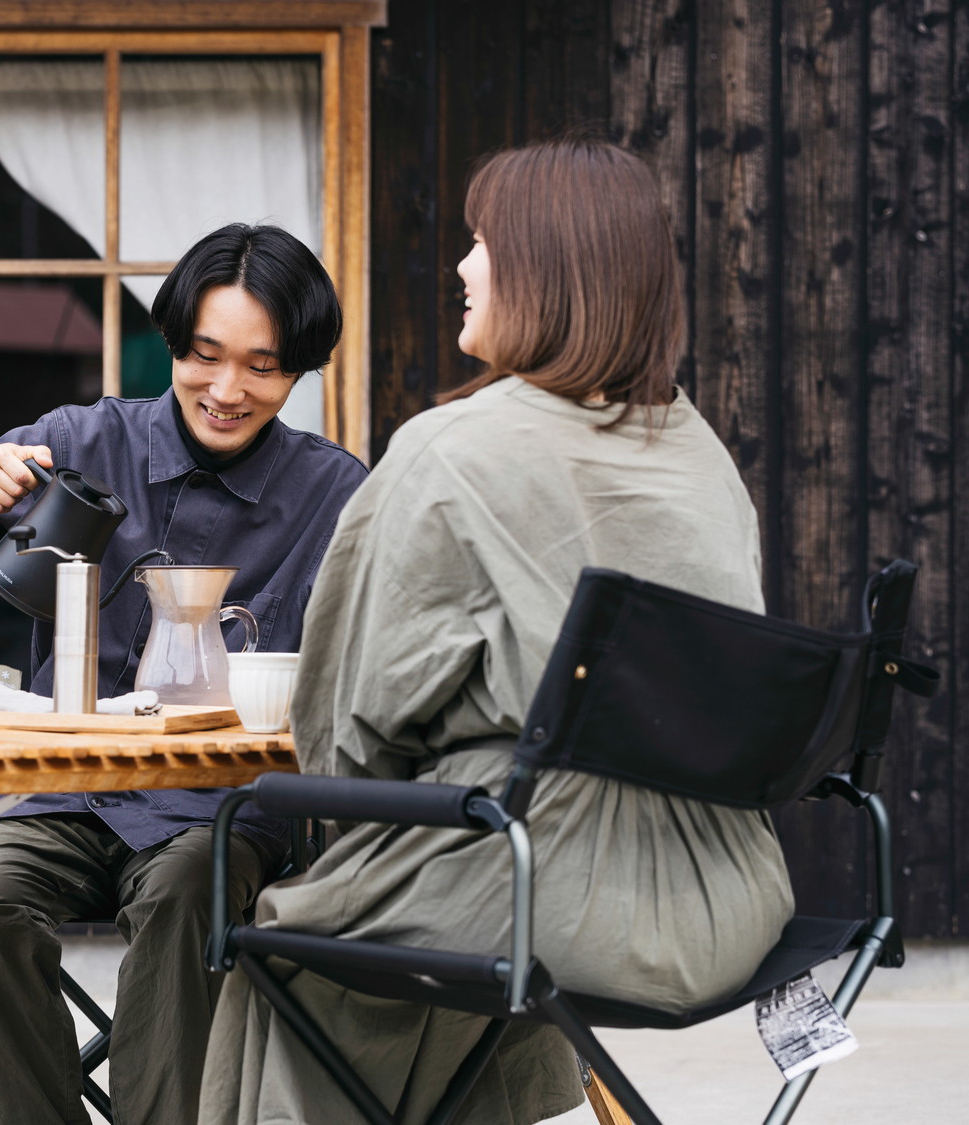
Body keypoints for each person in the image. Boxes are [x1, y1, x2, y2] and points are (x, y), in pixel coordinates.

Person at [197, 139, 795, 1124]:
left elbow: (350, 730)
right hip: (732, 897)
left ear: (546, 271)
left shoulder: (455, 449)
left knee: (291, 944)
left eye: (480, 242)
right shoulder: (693, 448)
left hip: (547, 894)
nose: (461, 267)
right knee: (454, 893)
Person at [0, 223, 369, 1125]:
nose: (227, 390)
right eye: (206, 356)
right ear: (172, 342)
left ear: (298, 370)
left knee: (190, 900)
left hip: (220, 808)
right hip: (53, 793)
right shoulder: (82, 441)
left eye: (261, 366)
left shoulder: (335, 495)